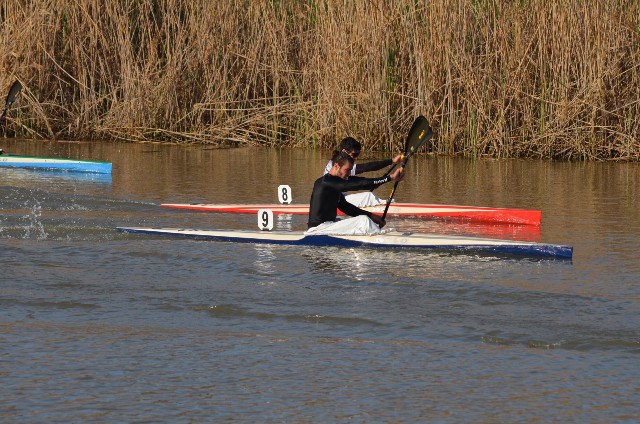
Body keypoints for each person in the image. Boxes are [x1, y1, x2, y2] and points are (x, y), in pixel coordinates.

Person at [306, 150, 404, 235]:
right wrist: (390, 178)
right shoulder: (326, 182)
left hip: (328, 225)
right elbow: (359, 184)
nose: (349, 174)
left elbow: (347, 208)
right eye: (347, 170)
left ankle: (375, 234)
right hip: (318, 229)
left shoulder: (334, 184)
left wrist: (371, 216)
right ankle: (382, 239)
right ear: (336, 166)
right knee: (363, 221)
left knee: (365, 219)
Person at [323, 137, 403, 207]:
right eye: (354, 155)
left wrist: (392, 161)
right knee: (368, 196)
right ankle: (382, 205)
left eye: (357, 155)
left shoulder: (341, 162)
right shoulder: (338, 165)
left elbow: (365, 170)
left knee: (368, 195)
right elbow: (365, 168)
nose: (356, 158)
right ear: (344, 151)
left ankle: (380, 203)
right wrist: (390, 172)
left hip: (340, 200)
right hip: (332, 204)